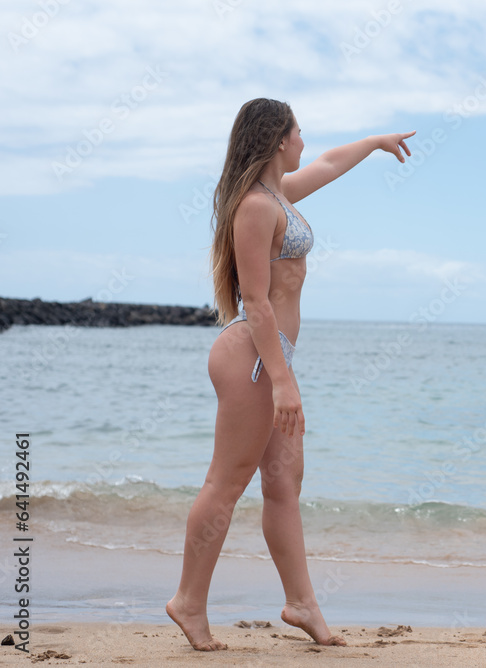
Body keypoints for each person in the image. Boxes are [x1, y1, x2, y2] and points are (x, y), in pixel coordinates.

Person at [166, 98, 414, 651]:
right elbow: (254, 299)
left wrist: (376, 142)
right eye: (298, 131)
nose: (304, 140)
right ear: (279, 139)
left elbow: (327, 164)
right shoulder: (255, 206)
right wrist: (281, 380)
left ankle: (302, 603)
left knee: (283, 485)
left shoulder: (279, 195)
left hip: (270, 356)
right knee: (226, 484)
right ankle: (188, 600)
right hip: (255, 356)